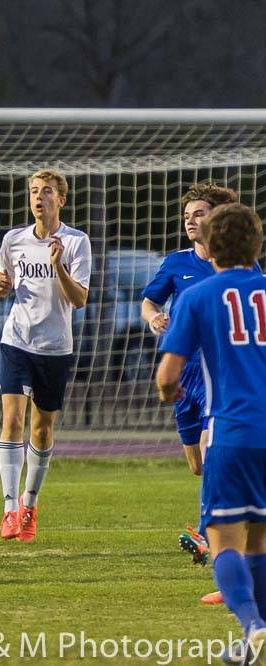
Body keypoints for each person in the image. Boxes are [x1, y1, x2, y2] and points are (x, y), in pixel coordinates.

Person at [156, 203, 266, 664]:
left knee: (223, 536)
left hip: (232, 432)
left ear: (212, 247)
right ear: (256, 246)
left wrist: (170, 392)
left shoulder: (197, 297)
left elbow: (167, 379)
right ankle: (255, 641)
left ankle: (252, 624)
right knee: (260, 539)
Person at [141, 182, 239, 605]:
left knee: (213, 448)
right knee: (198, 465)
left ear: (216, 219)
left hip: (217, 376)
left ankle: (208, 534)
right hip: (182, 378)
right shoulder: (176, 264)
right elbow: (148, 301)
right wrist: (153, 318)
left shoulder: (236, 267)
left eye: (198, 213)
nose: (190, 220)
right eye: (187, 215)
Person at [0, 169, 91, 543]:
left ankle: (30, 502)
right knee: (13, 420)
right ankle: (9, 509)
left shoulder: (76, 242)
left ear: (60, 200)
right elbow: (7, 286)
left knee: (42, 427)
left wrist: (58, 266)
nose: (39, 197)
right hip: (16, 340)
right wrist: (2, 287)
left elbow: (80, 299)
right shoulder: (13, 239)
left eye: (46, 191)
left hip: (55, 347)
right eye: (34, 191)